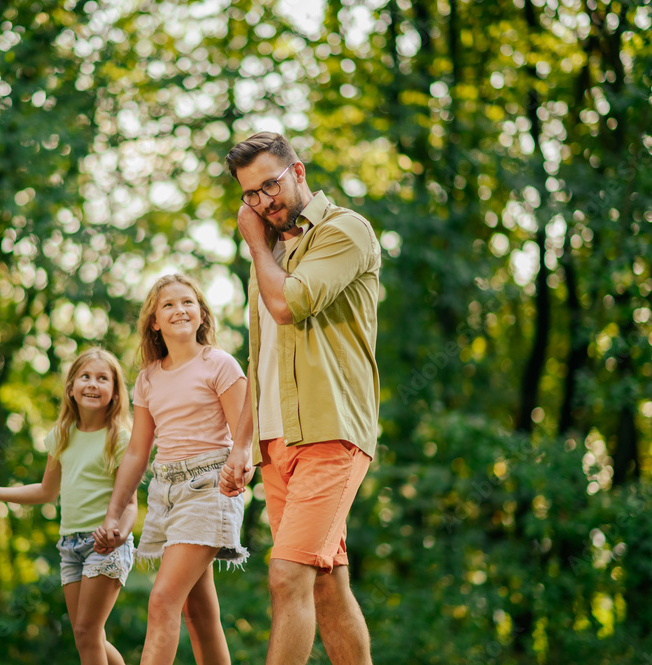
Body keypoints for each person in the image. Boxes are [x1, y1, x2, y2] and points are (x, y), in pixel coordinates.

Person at [219, 131, 381, 665]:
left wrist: (253, 244)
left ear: (299, 173)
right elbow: (259, 358)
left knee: (287, 575)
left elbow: (291, 305)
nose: (265, 201)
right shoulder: (268, 254)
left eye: (271, 184)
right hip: (275, 439)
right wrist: (242, 445)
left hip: (330, 431)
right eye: (251, 194)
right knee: (325, 585)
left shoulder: (345, 230)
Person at [94, 273, 248, 665]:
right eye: (168, 304)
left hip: (208, 487)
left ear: (201, 314)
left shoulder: (220, 364)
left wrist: (241, 466)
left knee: (162, 598)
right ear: (154, 322)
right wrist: (114, 513)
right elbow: (136, 454)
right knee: (198, 614)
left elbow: (245, 435)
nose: (179, 309)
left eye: (187, 302)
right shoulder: (148, 378)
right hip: (165, 495)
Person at [0, 347, 136, 665]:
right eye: (85, 376)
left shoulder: (120, 439)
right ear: (71, 388)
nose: (92, 384)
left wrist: (118, 534)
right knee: (88, 635)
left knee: (87, 632)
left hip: (106, 546)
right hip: (70, 546)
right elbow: (46, 491)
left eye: (103, 378)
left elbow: (131, 504)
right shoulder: (61, 436)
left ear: (114, 393)